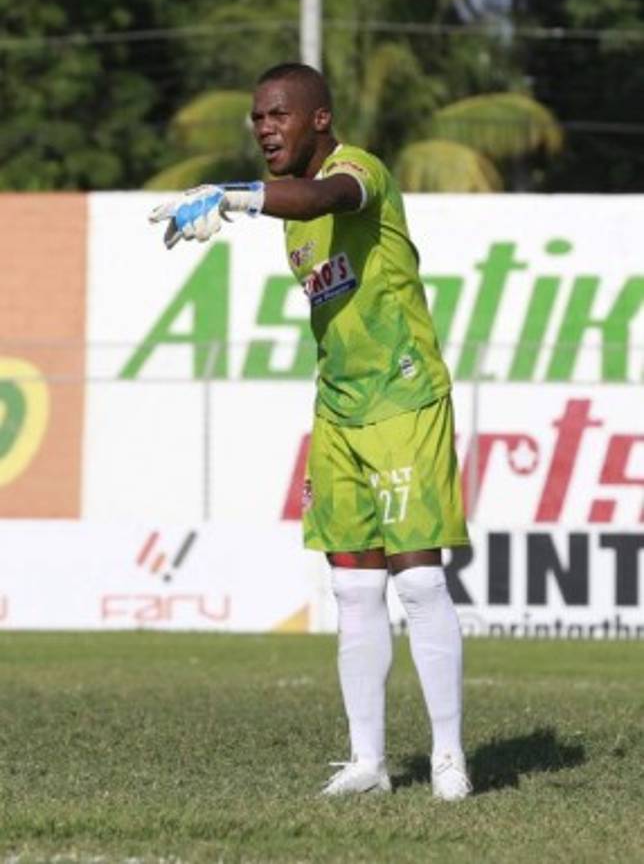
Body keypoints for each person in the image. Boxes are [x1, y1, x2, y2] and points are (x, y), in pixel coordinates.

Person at [149, 62, 472, 801]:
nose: (263, 128)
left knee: (418, 580)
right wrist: (253, 199)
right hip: (338, 411)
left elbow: (327, 195)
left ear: (319, 120)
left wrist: (236, 197)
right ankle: (369, 762)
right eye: (257, 119)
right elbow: (300, 211)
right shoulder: (293, 233)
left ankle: (450, 758)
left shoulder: (359, 171)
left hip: (404, 399)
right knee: (352, 590)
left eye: (277, 115)